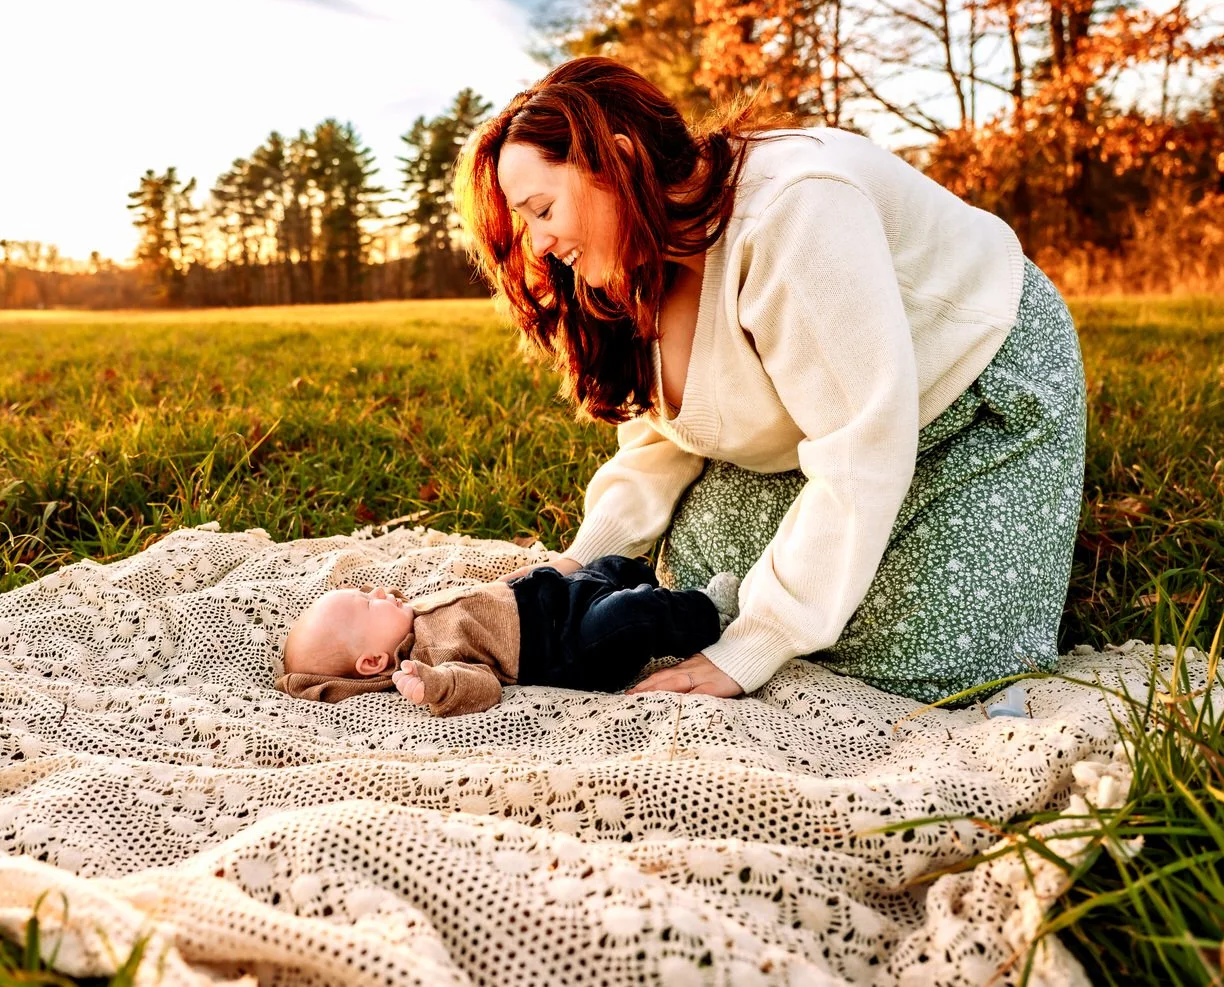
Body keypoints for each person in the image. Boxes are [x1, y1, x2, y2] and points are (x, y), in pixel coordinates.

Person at [454, 56, 1086, 705]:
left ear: (617, 162)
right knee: (698, 583)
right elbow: (662, 437)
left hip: (976, 373)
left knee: (920, 661)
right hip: (849, 407)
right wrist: (578, 561)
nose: (535, 245)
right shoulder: (639, 254)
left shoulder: (794, 212)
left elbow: (861, 437)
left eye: (541, 208)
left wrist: (759, 640)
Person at [275, 559, 740, 716]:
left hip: (549, 599)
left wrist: (526, 577)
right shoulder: (429, 658)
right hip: (565, 649)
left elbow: (479, 597)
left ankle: (649, 583)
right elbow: (483, 687)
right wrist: (433, 685)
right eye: (367, 603)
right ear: (374, 662)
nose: (378, 591)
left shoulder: (413, 614)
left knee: (614, 568)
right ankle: (707, 614)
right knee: (629, 616)